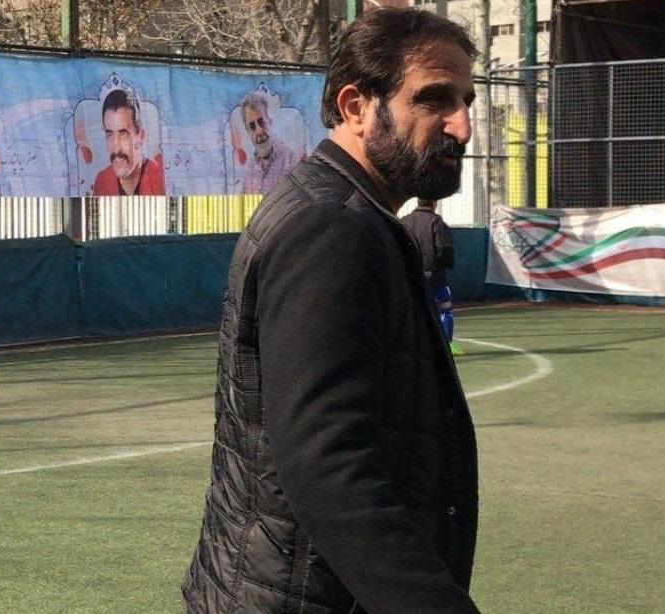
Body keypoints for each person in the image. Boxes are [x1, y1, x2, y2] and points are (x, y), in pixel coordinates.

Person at [181, 8, 481, 613]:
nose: (463, 126)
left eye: (467, 101)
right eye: (434, 100)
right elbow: (329, 467)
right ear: (356, 107)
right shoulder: (332, 227)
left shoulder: (353, 214)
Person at [402, 198, 463, 356]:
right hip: (434, 272)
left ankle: (413, 345)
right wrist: (448, 263)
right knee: (444, 308)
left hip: (410, 271)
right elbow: (443, 248)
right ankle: (446, 345)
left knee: (413, 309)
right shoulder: (436, 221)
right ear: (434, 203)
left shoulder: (405, 221)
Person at [92, 88, 165, 196]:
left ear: (140, 137)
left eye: (123, 134)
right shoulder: (102, 180)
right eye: (109, 134)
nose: (116, 149)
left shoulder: (161, 178)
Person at [239, 92, 301, 194]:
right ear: (248, 132)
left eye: (261, 122)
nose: (259, 131)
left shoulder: (291, 161)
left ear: (270, 122)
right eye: (252, 127)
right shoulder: (250, 169)